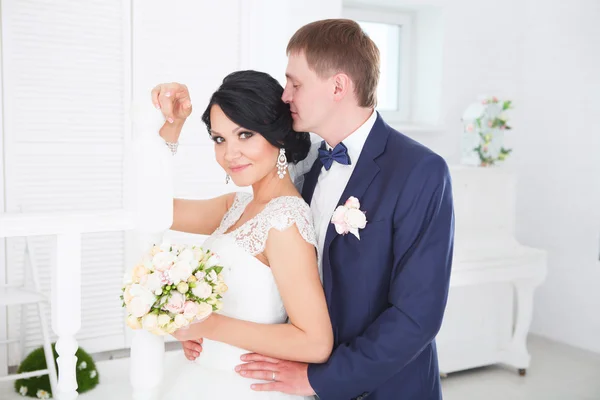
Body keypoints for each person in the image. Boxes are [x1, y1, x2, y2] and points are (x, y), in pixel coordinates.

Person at [179, 19, 455, 399]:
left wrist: (319, 379)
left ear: (338, 86)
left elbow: (416, 317)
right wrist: (212, 336)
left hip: (385, 387)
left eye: (295, 83)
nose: (285, 95)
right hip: (288, 381)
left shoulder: (419, 171)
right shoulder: (299, 163)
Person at [143, 70, 333, 400]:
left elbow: (316, 342)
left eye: (244, 134)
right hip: (205, 376)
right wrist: (173, 124)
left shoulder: (284, 220)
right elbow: (149, 208)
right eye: (219, 139)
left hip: (247, 388)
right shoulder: (235, 205)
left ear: (278, 135)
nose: (230, 153)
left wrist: (206, 325)